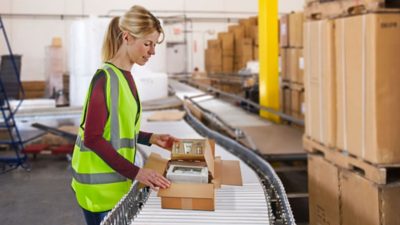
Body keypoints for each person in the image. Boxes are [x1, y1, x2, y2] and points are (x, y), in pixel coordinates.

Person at [70, 5, 178, 225]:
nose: (152, 52)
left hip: (114, 186)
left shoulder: (125, 77)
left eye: (155, 45)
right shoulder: (105, 78)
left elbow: (118, 129)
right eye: (147, 44)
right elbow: (93, 138)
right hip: (97, 190)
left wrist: (152, 139)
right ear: (127, 37)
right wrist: (137, 172)